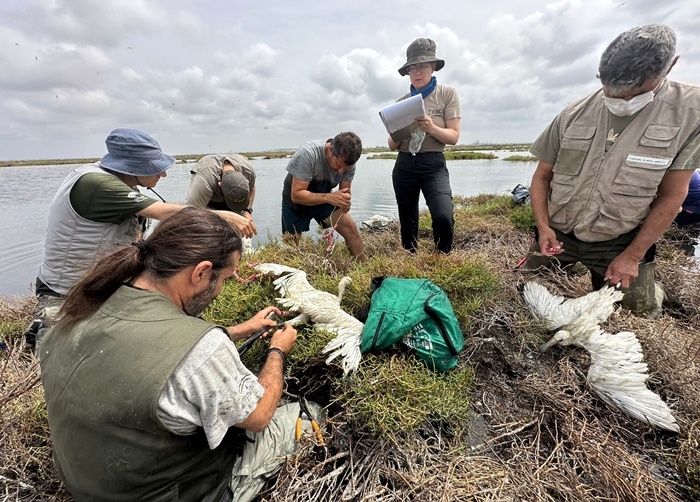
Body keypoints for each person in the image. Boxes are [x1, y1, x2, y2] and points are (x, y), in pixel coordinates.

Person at [40, 207, 318, 502]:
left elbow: (147, 342)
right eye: (223, 278)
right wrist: (278, 350)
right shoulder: (202, 349)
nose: (221, 289)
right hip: (172, 493)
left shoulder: (81, 306)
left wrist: (237, 330)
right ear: (201, 272)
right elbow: (260, 416)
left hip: (86, 484)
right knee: (307, 412)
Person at [26, 129, 257, 352]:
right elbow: (164, 211)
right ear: (132, 167)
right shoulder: (95, 183)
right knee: (57, 359)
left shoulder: (118, 183)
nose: (163, 174)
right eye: (156, 168)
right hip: (66, 292)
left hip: (100, 286)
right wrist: (223, 215)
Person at [524, 24, 700, 317]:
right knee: (527, 290)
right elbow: (542, 176)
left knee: (637, 314)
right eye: (613, 92)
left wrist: (632, 256)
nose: (622, 101)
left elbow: (672, 198)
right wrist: (543, 227)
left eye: (635, 93)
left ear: (670, 67)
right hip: (559, 233)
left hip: (620, 238)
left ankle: (654, 289)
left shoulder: (691, 113)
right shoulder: (573, 112)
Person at [388, 38, 461, 254]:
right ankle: (410, 258)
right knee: (407, 221)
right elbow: (392, 145)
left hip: (433, 164)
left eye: (422, 66)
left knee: (443, 216)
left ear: (433, 67)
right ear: (408, 71)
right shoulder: (401, 102)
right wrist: (401, 129)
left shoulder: (447, 94)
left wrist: (431, 128)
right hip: (404, 165)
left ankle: (441, 257)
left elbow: (454, 136)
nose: (417, 72)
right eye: (413, 68)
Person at [281, 132, 365, 258]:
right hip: (296, 201)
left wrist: (345, 202)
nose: (341, 171)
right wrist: (330, 197)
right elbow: (296, 195)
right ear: (330, 149)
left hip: (325, 196)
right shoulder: (308, 153)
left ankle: (364, 269)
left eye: (345, 168)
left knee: (350, 228)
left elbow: (345, 192)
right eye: (338, 165)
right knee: (291, 246)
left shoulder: (348, 162)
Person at [187, 153, 256, 220]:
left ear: (247, 181)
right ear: (220, 185)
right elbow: (191, 213)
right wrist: (226, 217)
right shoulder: (204, 180)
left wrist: (247, 210)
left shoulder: (249, 172)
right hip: (208, 202)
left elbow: (252, 188)